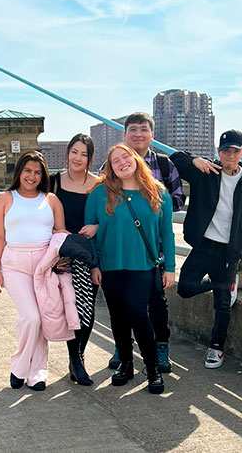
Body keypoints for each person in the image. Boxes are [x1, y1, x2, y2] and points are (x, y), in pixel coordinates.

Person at [170, 129, 242, 369]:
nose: (230, 155)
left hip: (228, 251)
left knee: (222, 305)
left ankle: (216, 347)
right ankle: (224, 285)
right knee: (185, 288)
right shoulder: (207, 172)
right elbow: (174, 160)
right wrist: (195, 160)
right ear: (218, 152)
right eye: (225, 151)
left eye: (235, 151)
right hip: (204, 244)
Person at [86, 143, 176, 394]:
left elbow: (166, 234)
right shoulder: (99, 193)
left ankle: (152, 368)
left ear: (136, 159)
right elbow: (89, 231)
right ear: (111, 168)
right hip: (110, 266)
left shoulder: (158, 193)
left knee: (138, 313)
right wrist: (94, 266)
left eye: (125, 157)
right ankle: (126, 363)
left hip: (142, 265)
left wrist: (170, 267)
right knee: (117, 317)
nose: (122, 163)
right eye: (115, 161)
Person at [106, 112, 186, 374]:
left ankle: (161, 347)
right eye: (133, 129)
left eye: (143, 129)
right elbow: (103, 199)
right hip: (122, 250)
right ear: (125, 135)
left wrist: (149, 198)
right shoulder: (113, 165)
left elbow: (177, 199)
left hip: (153, 248)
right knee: (122, 304)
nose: (138, 134)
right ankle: (123, 347)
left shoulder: (164, 165)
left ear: (152, 135)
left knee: (156, 302)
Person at [0, 151, 66, 391]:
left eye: (37, 172)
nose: (32, 176)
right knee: (30, 317)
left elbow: (60, 235)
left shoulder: (51, 200)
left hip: (44, 264)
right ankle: (19, 367)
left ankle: (37, 373)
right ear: (19, 172)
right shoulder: (5, 199)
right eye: (27, 171)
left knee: (40, 319)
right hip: (15, 265)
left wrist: (59, 261)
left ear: (43, 176)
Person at [49, 134, 100, 386]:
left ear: (90, 159)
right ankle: (75, 360)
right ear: (67, 152)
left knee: (86, 308)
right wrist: (51, 257)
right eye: (74, 152)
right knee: (69, 308)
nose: (78, 158)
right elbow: (40, 216)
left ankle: (77, 358)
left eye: (84, 154)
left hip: (89, 256)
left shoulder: (99, 185)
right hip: (61, 255)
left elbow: (110, 216)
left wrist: (97, 227)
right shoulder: (53, 182)